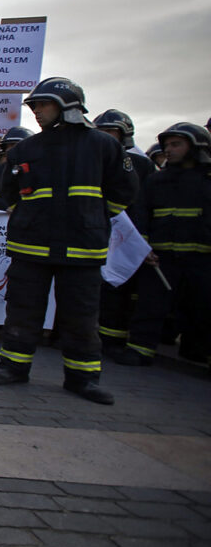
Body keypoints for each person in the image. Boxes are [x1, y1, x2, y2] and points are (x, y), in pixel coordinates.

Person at [0, 77, 137, 405]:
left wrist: (93, 216)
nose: (36, 111)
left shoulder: (103, 146)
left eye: (43, 104)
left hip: (82, 248)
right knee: (23, 311)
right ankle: (13, 367)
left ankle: (83, 379)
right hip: (30, 246)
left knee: (80, 315)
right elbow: (9, 190)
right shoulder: (27, 148)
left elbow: (124, 189)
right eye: (34, 106)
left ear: (67, 105)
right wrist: (23, 215)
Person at [120, 122, 211, 366]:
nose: (168, 150)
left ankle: (195, 349)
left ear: (196, 147)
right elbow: (141, 215)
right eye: (167, 145)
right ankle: (140, 349)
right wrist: (143, 248)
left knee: (200, 306)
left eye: (176, 144)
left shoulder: (207, 181)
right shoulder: (156, 181)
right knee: (150, 304)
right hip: (160, 257)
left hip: (201, 259)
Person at [91, 110, 157, 363]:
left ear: (124, 135)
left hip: (126, 235)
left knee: (121, 289)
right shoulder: (89, 160)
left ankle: (114, 342)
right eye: (101, 132)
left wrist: (141, 241)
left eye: (110, 132)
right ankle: (98, 337)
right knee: (99, 289)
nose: (105, 137)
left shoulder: (140, 164)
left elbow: (143, 204)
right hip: (96, 231)